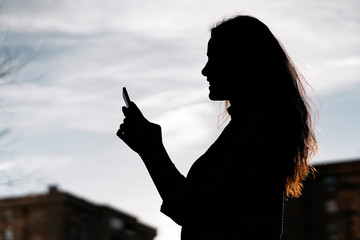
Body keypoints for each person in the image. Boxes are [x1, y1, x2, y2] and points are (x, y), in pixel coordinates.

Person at [117, 15, 317, 240]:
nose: (205, 70)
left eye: (215, 59)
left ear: (242, 63)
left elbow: (192, 208)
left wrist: (151, 149)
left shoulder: (256, 130)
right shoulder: (253, 127)